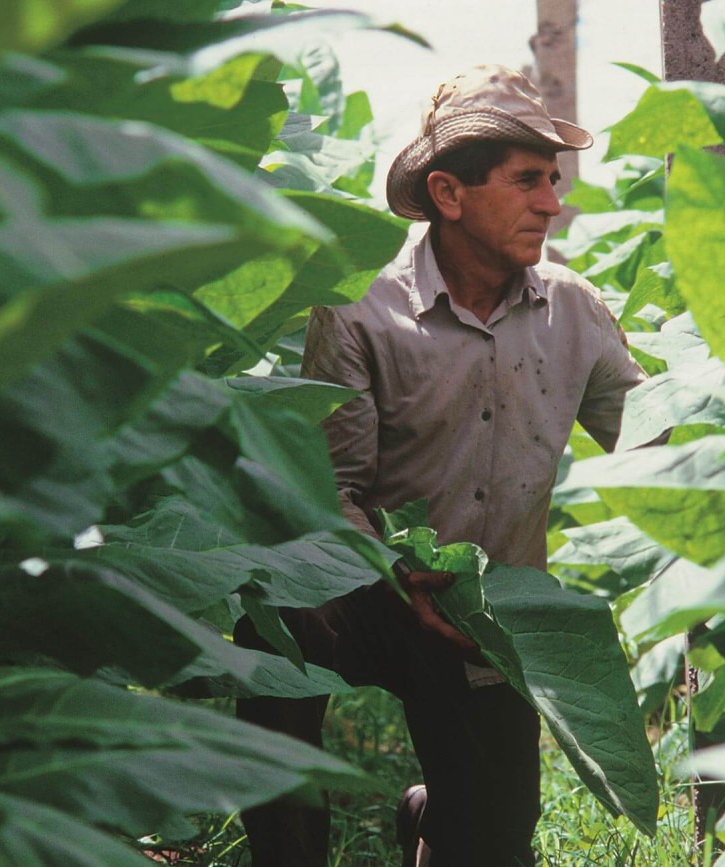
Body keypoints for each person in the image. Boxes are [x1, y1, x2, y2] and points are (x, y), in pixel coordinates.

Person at [234, 65, 649, 867]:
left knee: (489, 842)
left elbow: (657, 443)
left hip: (480, 617)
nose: (552, 202)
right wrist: (390, 570)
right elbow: (333, 486)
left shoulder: (575, 310)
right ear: (449, 194)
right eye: (528, 181)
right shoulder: (361, 306)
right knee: (272, 622)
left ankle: (433, 814)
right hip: (365, 588)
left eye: (553, 181)